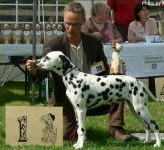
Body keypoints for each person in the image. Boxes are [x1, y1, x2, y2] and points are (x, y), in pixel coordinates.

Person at [26, 2, 131, 141]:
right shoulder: (53, 44)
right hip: (67, 100)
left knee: (118, 81)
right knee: (63, 135)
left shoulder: (94, 42)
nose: (70, 28)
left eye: (75, 24)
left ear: (83, 22)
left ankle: (116, 129)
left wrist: (113, 67)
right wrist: (33, 71)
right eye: (67, 23)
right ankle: (74, 127)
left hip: (93, 96)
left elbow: (101, 69)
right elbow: (41, 74)